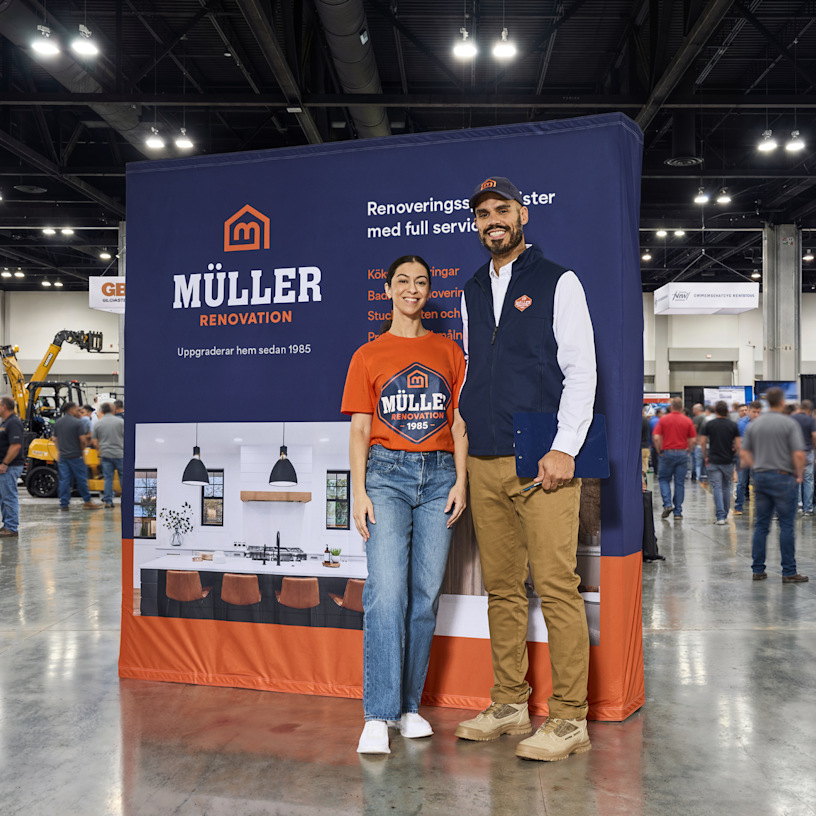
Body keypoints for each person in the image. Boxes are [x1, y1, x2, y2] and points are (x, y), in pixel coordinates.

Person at [454, 176, 596, 763]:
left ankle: (569, 719)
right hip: (485, 459)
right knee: (503, 590)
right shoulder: (469, 289)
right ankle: (510, 704)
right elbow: (469, 372)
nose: (493, 220)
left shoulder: (558, 280)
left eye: (502, 210)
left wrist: (565, 447)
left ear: (523, 215)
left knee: (558, 587)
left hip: (543, 460)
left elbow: (581, 370)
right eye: (483, 213)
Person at [341, 255, 467, 755]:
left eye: (420, 282)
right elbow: (358, 428)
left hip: (439, 480)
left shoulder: (448, 350)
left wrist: (462, 480)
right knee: (386, 593)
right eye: (402, 282)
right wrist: (358, 490)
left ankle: (409, 707)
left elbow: (459, 424)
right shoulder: (367, 355)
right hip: (386, 477)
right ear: (387, 290)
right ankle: (378, 714)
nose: (411, 289)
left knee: (424, 596)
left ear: (428, 291)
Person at [741, 387, 807, 582]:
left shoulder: (754, 425)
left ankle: (758, 570)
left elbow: (744, 455)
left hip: (761, 478)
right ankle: (788, 572)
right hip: (784, 477)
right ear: (782, 402)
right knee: (786, 525)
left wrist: (759, 467)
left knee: (761, 525)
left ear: (767, 402)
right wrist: (799, 474)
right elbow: (798, 454)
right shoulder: (789, 424)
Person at [53, 402, 103, 510]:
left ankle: (64, 504)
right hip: (76, 456)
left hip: (63, 457)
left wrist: (59, 451)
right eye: (76, 409)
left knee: (64, 480)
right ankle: (87, 502)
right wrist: (81, 450)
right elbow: (83, 440)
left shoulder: (58, 422)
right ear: (71, 410)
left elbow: (54, 439)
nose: (78, 411)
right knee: (81, 479)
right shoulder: (78, 423)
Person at [653, 397, 696, 519]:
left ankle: (667, 504)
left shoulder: (663, 420)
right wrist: (688, 450)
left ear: (671, 407)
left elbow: (656, 438)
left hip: (667, 453)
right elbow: (692, 439)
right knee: (679, 483)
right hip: (682, 453)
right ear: (682, 408)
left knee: (663, 479)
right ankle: (678, 512)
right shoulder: (687, 421)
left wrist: (659, 451)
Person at [700, 401, 740, 524]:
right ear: (727, 411)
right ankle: (726, 513)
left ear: (716, 411)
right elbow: (738, 444)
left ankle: (720, 516)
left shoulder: (710, 424)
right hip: (728, 461)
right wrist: (734, 454)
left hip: (714, 460)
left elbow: (702, 442)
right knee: (726, 486)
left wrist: (705, 456)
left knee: (716, 487)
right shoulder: (733, 425)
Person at [0, 396, 25, 537]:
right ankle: (7, 525)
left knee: (9, 497)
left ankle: (11, 527)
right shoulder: (6, 423)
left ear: (4, 407)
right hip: (6, 466)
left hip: (10, 466)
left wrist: (5, 463)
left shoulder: (13, 423)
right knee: (4, 497)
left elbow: (15, 446)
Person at [92, 403, 124, 508]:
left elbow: (95, 443)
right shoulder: (121, 422)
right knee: (123, 478)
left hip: (105, 455)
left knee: (108, 479)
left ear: (102, 411)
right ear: (113, 410)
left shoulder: (98, 424)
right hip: (120, 454)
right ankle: (126, 499)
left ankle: (108, 501)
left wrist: (100, 450)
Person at [734, 401, 762, 514]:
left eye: (758, 412)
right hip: (743, 457)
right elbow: (738, 441)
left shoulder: (762, 423)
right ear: (750, 411)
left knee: (758, 483)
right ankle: (738, 507)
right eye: (754, 412)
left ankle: (761, 508)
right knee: (741, 482)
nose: (756, 415)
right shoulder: (741, 423)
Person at [790, 400, 816, 515]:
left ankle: (797, 505)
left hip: (795, 453)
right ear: (809, 410)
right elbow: (814, 436)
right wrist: (812, 447)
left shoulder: (792, 418)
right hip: (807, 452)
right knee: (808, 480)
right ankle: (808, 508)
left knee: (796, 479)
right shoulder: (811, 420)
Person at [691, 404, 706, 481]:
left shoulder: (697, 418)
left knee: (698, 463)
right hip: (707, 444)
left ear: (696, 410)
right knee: (705, 463)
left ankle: (697, 478)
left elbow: (693, 430)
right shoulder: (707, 417)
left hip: (698, 443)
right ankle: (705, 478)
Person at [641, 407, 652, 478]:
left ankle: (643, 486)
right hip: (646, 447)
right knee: (645, 468)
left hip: (640, 448)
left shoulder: (639, 421)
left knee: (641, 471)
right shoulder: (647, 421)